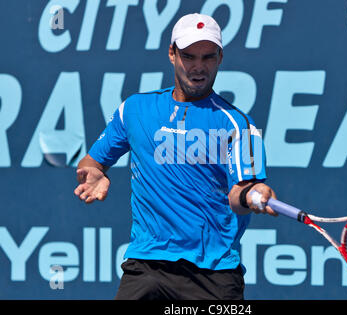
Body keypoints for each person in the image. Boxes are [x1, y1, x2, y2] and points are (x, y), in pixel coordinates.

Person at [74, 13, 277, 300]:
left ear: (220, 58)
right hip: (146, 265)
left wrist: (254, 194)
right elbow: (93, 161)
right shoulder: (134, 109)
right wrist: (93, 171)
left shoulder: (238, 124)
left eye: (207, 57)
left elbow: (238, 195)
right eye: (188, 56)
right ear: (172, 54)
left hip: (213, 274)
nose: (198, 67)